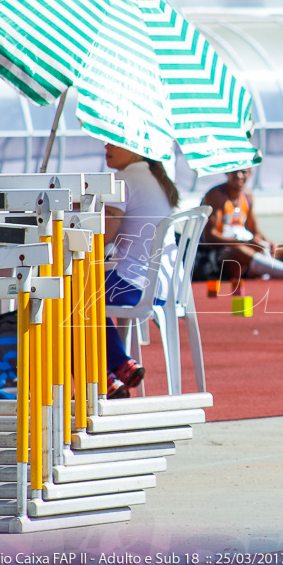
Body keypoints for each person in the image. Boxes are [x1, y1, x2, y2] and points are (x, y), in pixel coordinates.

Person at [102, 144, 179, 398]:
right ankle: (113, 369)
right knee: (74, 291)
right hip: (163, 285)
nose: (106, 145)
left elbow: (103, 236)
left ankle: (107, 373)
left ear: (135, 149)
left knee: (63, 293)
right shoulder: (154, 178)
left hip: (135, 285)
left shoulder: (124, 180)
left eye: (113, 141)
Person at [200, 168, 283, 281]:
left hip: (250, 250)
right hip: (225, 256)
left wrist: (267, 242)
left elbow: (254, 231)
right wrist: (243, 243)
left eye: (243, 172)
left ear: (250, 173)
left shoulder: (247, 196)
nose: (239, 176)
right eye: (234, 171)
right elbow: (210, 237)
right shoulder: (215, 195)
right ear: (227, 173)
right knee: (242, 250)